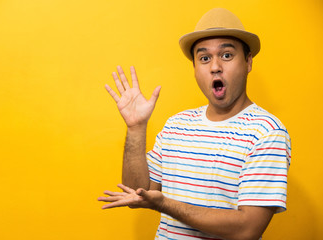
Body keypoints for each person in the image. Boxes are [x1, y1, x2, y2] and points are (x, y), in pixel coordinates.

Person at [98, 8, 291, 240]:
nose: (215, 66)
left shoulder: (267, 132)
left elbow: (247, 229)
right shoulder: (176, 125)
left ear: (248, 62)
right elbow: (137, 192)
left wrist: (166, 204)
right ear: (195, 69)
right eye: (204, 58)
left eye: (227, 55)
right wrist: (136, 128)